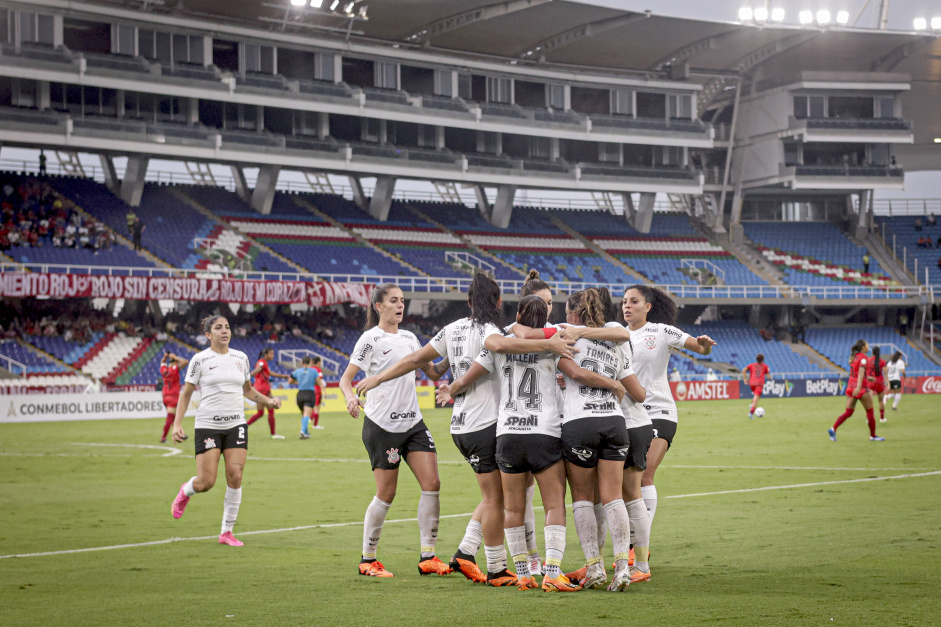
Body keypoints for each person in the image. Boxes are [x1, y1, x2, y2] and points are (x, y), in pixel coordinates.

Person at [354, 273, 575, 586]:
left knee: (501, 492)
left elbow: (419, 359)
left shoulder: (452, 328)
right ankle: (499, 566)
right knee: (499, 498)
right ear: (498, 302)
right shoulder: (492, 330)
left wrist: (380, 377)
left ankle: (469, 551)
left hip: (461, 424)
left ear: (469, 301)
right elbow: (496, 347)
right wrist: (548, 343)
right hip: (486, 423)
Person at [339, 283, 451, 578]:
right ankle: (368, 559)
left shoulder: (411, 337)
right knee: (387, 493)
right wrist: (351, 397)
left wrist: (454, 352)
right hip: (381, 426)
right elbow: (346, 379)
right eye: (393, 301)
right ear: (379, 306)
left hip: (413, 423)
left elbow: (434, 371)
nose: (400, 305)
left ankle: (428, 556)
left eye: (402, 301)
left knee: (433, 483)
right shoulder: (370, 339)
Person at [556, 288, 645, 591]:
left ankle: (594, 567)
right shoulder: (614, 340)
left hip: (580, 422)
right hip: (614, 421)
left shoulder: (566, 336)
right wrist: (614, 385)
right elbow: (635, 386)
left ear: (574, 313)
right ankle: (623, 568)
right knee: (613, 496)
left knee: (582, 497)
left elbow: (575, 374)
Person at [619, 284, 717, 559]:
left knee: (645, 474)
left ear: (647, 307)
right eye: (625, 301)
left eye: (634, 301)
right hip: (627, 414)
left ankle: (638, 549)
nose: (627, 306)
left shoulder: (661, 331)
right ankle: (629, 545)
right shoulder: (615, 334)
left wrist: (705, 346)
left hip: (659, 411)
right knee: (626, 483)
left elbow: (697, 346)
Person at [170, 315, 282, 546]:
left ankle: (226, 532)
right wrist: (177, 424)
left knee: (236, 475)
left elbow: (248, 390)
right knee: (206, 482)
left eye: (227, 327)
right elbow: (186, 394)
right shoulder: (200, 360)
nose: (224, 331)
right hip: (208, 425)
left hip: (236, 424)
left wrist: (268, 401)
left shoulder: (241, 358)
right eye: (218, 328)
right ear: (208, 335)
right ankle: (186, 491)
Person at [828, 339, 884, 442]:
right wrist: (859, 388)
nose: (868, 347)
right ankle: (872, 436)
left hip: (850, 387)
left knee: (848, 412)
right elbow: (861, 373)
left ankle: (833, 428)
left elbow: (856, 372)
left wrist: (868, 377)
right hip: (860, 388)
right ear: (863, 347)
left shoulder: (854, 357)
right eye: (867, 345)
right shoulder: (863, 358)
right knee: (870, 412)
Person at [247, 347, 289, 439]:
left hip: (258, 389)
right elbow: (259, 369)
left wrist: (283, 376)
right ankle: (273, 434)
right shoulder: (262, 362)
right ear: (266, 355)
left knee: (260, 413)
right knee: (271, 410)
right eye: (271, 353)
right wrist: (248, 376)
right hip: (264, 390)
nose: (273, 355)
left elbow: (269, 373)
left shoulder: (262, 362)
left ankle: (243, 427)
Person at [160, 352, 190, 443]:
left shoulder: (164, 369)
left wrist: (165, 357)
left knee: (174, 417)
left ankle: (181, 434)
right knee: (171, 417)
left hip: (165, 396)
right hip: (173, 397)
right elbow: (185, 362)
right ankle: (163, 438)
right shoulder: (175, 369)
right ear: (175, 362)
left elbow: (162, 362)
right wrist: (176, 357)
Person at [291, 356, 323, 439]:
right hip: (309, 394)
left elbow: (290, 381)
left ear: (302, 363)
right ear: (310, 362)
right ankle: (302, 431)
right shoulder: (314, 371)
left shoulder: (297, 371)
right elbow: (319, 383)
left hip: (300, 394)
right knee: (306, 414)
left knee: (304, 414)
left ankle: (306, 432)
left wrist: (300, 381)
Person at [864, 346, 888, 423]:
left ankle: (868, 419)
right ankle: (882, 418)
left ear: (872, 352)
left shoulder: (868, 360)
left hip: (871, 382)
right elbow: (885, 373)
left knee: (869, 402)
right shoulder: (882, 362)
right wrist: (887, 382)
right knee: (881, 401)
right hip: (880, 382)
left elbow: (864, 372)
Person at [743, 354, 770, 420]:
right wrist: (768, 375)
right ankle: (751, 413)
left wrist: (745, 379)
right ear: (763, 359)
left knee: (756, 396)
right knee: (756, 398)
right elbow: (768, 377)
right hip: (759, 383)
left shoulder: (752, 365)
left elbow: (744, 370)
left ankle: (752, 404)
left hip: (751, 383)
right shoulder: (765, 366)